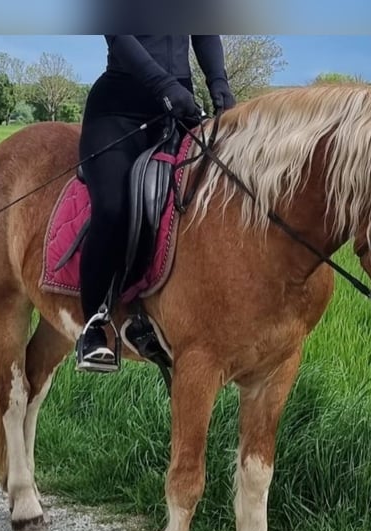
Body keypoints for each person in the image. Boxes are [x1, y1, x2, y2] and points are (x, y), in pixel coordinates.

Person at [75, 35, 236, 372]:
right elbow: (119, 38)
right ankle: (93, 325)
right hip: (119, 110)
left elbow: (205, 33)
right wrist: (165, 85)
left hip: (179, 109)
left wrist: (218, 81)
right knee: (114, 208)